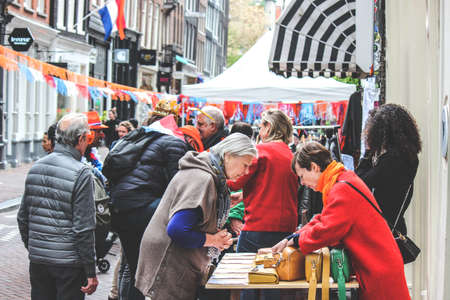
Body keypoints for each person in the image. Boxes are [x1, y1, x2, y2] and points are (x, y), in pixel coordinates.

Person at [272, 142, 410, 300]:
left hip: (378, 267)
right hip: (378, 263)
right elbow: (324, 218)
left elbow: (328, 229)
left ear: (314, 167)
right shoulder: (341, 179)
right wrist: (292, 238)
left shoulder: (341, 188)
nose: (302, 183)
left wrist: (297, 240)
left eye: (302, 176)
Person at [135, 133, 257, 300]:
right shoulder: (202, 177)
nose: (246, 171)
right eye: (245, 164)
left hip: (174, 264)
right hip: (168, 265)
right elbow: (178, 230)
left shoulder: (207, 174)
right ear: (228, 155)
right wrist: (214, 240)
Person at [109, 100, 188, 300]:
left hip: (120, 204)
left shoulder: (138, 136)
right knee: (143, 267)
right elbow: (176, 184)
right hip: (143, 207)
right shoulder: (174, 142)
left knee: (130, 263)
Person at [17, 113, 98, 300]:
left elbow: (23, 217)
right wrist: (90, 270)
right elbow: (83, 228)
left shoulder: (36, 167)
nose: (88, 143)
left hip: (38, 261)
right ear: (80, 139)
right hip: (68, 264)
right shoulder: (82, 173)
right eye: (88, 138)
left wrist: (35, 247)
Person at [228, 109, 298, 300]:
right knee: (276, 282)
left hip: (258, 224)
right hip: (286, 227)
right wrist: (243, 196)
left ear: (269, 127)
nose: (259, 130)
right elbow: (273, 185)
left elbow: (237, 180)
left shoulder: (261, 151)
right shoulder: (291, 154)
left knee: (248, 280)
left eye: (261, 125)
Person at [356, 103, 421, 236]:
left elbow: (359, 183)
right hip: (394, 227)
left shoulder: (392, 160)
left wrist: (368, 152)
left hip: (383, 233)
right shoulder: (409, 157)